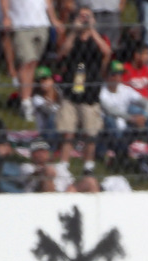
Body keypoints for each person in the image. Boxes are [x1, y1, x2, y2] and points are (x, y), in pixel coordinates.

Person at [58, 6, 112, 173]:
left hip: (90, 91)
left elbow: (107, 52)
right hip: (71, 89)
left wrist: (91, 30)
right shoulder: (71, 38)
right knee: (68, 131)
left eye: (87, 16)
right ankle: (64, 164)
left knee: (91, 132)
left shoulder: (99, 38)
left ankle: (88, 164)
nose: (84, 19)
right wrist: (74, 31)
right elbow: (62, 53)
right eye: (81, 16)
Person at [3, 0, 62, 120]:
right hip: (21, 24)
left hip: (41, 24)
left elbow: (48, 2)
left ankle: (27, 97)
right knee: (25, 62)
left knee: (33, 63)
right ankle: (25, 103)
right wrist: (6, 16)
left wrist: (53, 18)